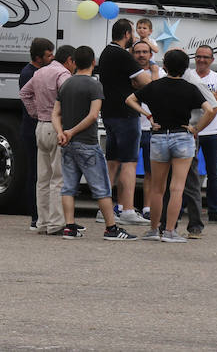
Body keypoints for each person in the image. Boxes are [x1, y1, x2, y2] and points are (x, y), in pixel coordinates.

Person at [126, 49, 217, 243]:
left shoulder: (154, 86)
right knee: (177, 187)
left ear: (165, 66)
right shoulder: (190, 88)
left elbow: (130, 99)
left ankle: (153, 229)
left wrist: (148, 115)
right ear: (185, 67)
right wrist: (195, 129)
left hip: (158, 136)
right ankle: (169, 231)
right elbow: (210, 110)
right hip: (182, 137)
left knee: (158, 188)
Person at [52, 46, 136, 241]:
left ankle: (70, 227)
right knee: (101, 187)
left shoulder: (66, 84)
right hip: (87, 143)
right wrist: (71, 132)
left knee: (68, 187)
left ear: (74, 62)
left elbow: (55, 113)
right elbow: (92, 116)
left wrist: (61, 133)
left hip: (67, 144)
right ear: (93, 63)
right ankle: (111, 228)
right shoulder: (94, 85)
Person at [96, 19, 151, 224]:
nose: (135, 38)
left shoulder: (105, 53)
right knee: (129, 162)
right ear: (127, 34)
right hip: (126, 114)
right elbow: (145, 82)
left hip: (109, 112)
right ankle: (127, 209)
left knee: (112, 161)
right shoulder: (121, 54)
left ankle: (104, 210)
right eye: (133, 34)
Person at [19, 45, 73, 236]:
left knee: (42, 178)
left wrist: (35, 112)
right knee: (58, 178)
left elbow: (24, 93)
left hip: (40, 126)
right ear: (69, 60)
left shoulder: (39, 73)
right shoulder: (63, 75)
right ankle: (56, 223)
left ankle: (42, 222)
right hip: (56, 126)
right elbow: (68, 100)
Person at [186, 45, 217, 223]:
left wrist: (197, 93)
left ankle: (214, 210)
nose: (201, 60)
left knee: (214, 174)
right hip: (191, 130)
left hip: (213, 131)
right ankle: (182, 207)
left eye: (205, 57)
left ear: (212, 60)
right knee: (187, 172)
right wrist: (210, 95)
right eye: (198, 57)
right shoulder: (188, 74)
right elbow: (214, 99)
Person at [17, 37, 54, 231]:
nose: (52, 58)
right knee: (35, 173)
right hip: (32, 129)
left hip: (36, 127)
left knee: (42, 173)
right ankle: (35, 215)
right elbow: (28, 97)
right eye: (49, 55)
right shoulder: (29, 73)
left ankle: (42, 213)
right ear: (38, 57)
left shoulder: (39, 71)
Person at [130, 39, 164, 220]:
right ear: (133, 54)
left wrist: (156, 72)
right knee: (128, 168)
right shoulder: (128, 72)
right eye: (138, 52)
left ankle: (147, 208)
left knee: (152, 172)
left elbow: (156, 92)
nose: (141, 55)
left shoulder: (160, 72)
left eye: (145, 52)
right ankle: (124, 206)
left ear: (151, 55)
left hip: (153, 130)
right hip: (133, 127)